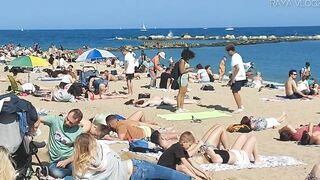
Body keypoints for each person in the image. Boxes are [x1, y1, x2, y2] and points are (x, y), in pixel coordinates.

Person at [73, 133, 192, 180]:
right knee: (174, 176)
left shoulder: (80, 171)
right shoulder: (102, 149)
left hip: (128, 176)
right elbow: (117, 156)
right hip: (135, 168)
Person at [34, 109, 90, 179]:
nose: (67, 122)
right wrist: (35, 127)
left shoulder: (79, 131)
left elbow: (78, 152)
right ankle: (70, 176)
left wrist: (66, 161)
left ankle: (68, 176)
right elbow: (37, 117)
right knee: (57, 172)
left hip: (69, 159)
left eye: (71, 123)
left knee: (81, 170)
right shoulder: (56, 120)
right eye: (67, 119)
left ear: (77, 123)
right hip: (54, 161)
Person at [105, 112, 177, 141]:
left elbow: (120, 138)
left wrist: (108, 138)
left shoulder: (120, 126)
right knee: (162, 135)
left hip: (146, 133)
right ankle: (170, 132)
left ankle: (175, 135)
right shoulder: (121, 122)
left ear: (110, 125)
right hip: (145, 130)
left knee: (163, 136)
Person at [225, 44, 246, 113]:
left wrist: (233, 78)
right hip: (241, 76)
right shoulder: (238, 55)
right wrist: (231, 75)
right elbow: (235, 68)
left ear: (231, 51)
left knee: (234, 91)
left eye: (228, 52)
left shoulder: (234, 57)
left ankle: (239, 107)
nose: (228, 53)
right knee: (235, 91)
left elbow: (237, 68)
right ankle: (241, 105)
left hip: (238, 77)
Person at [176, 48, 195, 113]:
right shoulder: (182, 61)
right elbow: (181, 71)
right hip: (182, 78)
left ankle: (181, 107)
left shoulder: (185, 61)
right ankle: (178, 108)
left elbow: (184, 69)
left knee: (184, 93)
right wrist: (189, 69)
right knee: (180, 93)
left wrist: (189, 70)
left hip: (185, 77)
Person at [125, 96, 199, 108]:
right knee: (178, 101)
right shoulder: (147, 99)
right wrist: (134, 102)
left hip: (164, 101)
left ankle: (193, 101)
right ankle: (193, 101)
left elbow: (142, 106)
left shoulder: (148, 101)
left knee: (178, 102)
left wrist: (135, 104)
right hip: (163, 98)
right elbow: (141, 101)